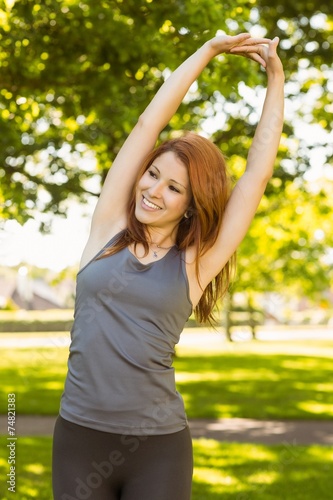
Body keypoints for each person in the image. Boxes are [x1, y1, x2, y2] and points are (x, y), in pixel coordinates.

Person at [52, 31, 284, 500]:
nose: (153, 191)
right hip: (77, 436)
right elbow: (145, 126)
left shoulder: (196, 264)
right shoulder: (109, 229)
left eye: (174, 188)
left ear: (192, 205)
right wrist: (207, 51)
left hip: (157, 449)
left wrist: (275, 79)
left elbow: (256, 173)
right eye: (153, 174)